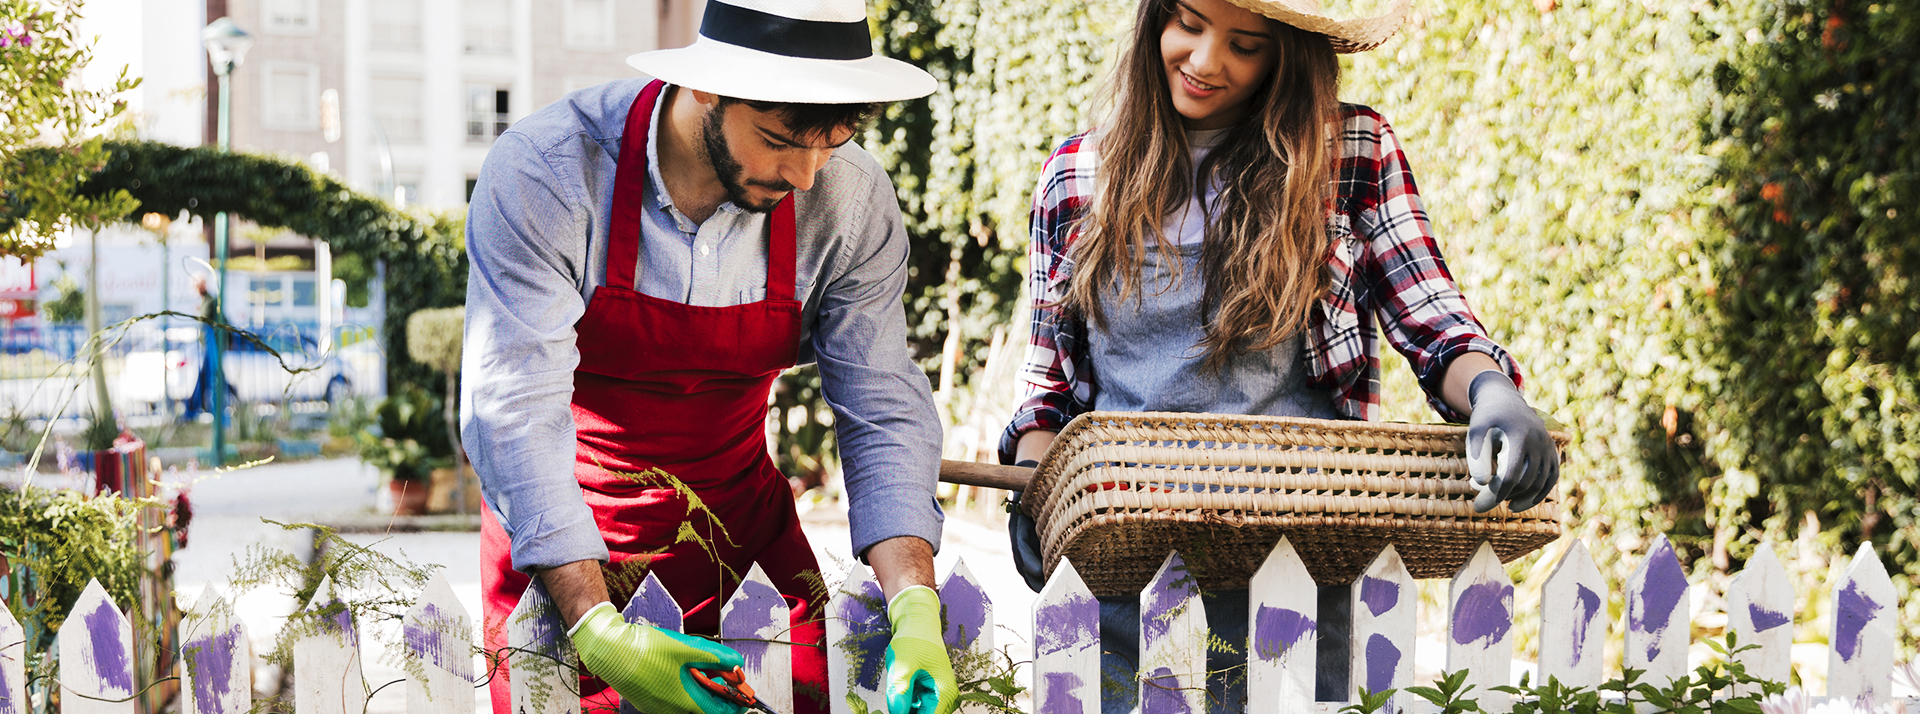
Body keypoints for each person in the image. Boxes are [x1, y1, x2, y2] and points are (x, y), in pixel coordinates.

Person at [998, 0, 1561, 711]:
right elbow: (1050, 385)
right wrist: (1032, 486)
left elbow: (1429, 314)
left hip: (1302, 565)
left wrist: (1490, 391)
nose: (1206, 62)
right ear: (1154, 20)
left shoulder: (1349, 151)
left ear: (1287, 56)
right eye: (1189, 24)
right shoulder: (1077, 175)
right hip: (1130, 560)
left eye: (1246, 45)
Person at [462, 1, 959, 712]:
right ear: (705, 88)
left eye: (833, 141)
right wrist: (598, 629)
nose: (809, 175)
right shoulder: (549, 174)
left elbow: (881, 405)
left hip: (743, 540)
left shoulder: (850, 198)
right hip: (568, 546)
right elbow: (513, 407)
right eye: (781, 139)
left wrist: (914, 605)